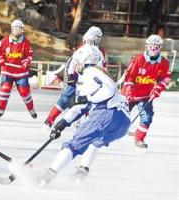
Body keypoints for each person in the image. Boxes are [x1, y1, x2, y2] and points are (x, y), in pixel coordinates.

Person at [37, 45, 131, 187]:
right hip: (123, 122)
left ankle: (48, 175)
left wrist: (81, 99)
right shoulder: (103, 75)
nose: (77, 65)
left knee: (73, 145)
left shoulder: (89, 72)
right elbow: (83, 105)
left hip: (106, 113)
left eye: (78, 61)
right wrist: (62, 124)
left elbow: (98, 96)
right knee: (94, 141)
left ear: (85, 60)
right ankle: (81, 172)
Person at [44, 26, 105, 128]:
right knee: (65, 99)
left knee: (88, 101)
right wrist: (71, 76)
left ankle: (81, 122)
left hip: (88, 83)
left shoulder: (99, 53)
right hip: (76, 81)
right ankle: (49, 120)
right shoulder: (82, 50)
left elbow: (102, 69)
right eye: (96, 38)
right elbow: (72, 63)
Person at [121, 34, 171, 148]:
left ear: (160, 48)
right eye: (150, 46)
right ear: (146, 46)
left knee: (147, 117)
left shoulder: (164, 63)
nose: (153, 49)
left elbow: (165, 79)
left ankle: (139, 139)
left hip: (145, 95)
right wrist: (128, 88)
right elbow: (129, 75)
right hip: (130, 93)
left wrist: (158, 88)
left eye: (156, 47)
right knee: (120, 115)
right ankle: (109, 135)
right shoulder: (138, 59)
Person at [0, 19, 37, 119]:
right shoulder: (5, 40)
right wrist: (0, 59)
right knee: (5, 89)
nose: (17, 30)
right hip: (7, 71)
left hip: (21, 73)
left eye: (19, 28)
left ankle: (31, 108)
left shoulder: (25, 42)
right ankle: (0, 110)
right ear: (12, 29)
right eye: (15, 28)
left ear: (22, 30)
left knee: (24, 92)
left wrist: (26, 62)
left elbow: (29, 55)